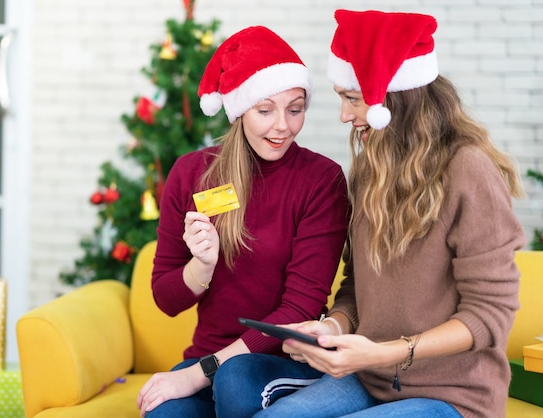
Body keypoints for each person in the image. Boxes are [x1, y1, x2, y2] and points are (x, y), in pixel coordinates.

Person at [216, 9, 527, 418]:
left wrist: (379, 353)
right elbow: (357, 288)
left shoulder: (467, 169)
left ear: (393, 96)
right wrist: (332, 328)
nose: (344, 115)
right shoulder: (369, 171)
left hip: (451, 395)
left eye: (351, 99)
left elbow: (489, 315)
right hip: (371, 380)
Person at [136, 25, 350, 417]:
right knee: (162, 410)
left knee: (234, 379)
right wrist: (201, 266)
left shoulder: (322, 181)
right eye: (265, 110)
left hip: (283, 361)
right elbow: (166, 298)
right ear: (239, 110)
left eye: (295, 108)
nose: (282, 125)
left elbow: (299, 307)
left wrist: (201, 372)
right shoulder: (191, 174)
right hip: (210, 360)